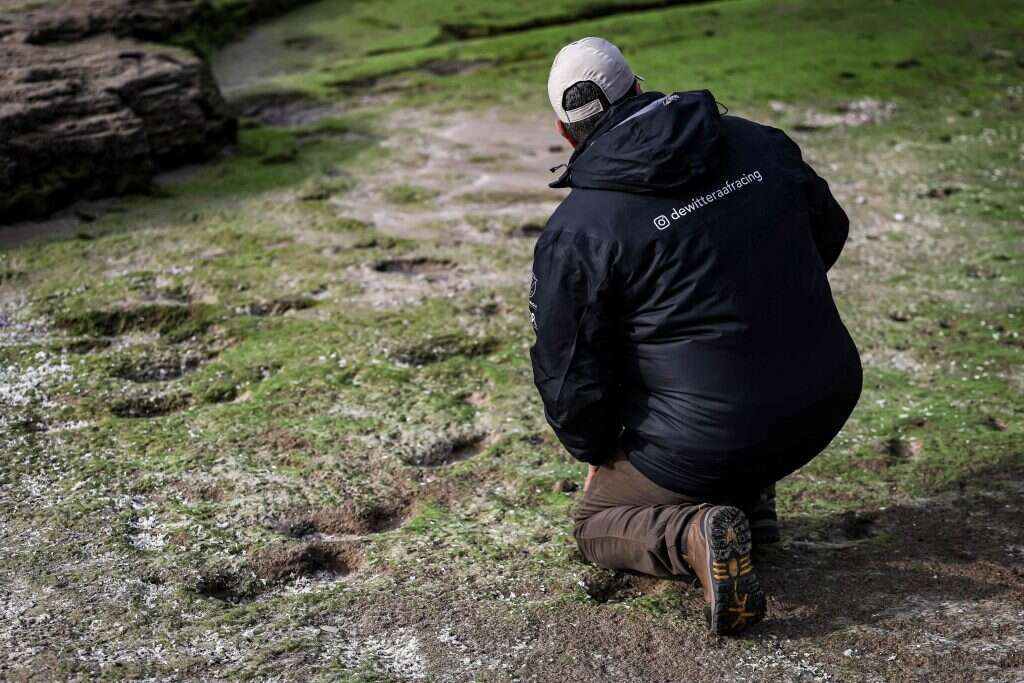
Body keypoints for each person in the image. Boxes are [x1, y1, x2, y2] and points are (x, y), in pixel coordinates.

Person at [529, 37, 862, 634]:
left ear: (563, 131)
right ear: (637, 88)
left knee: (595, 522)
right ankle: (749, 511)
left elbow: (569, 372)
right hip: (828, 394)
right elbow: (829, 231)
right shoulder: (758, 140)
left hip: (720, 431)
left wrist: (596, 447)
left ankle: (691, 535)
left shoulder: (581, 228)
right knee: (715, 374)